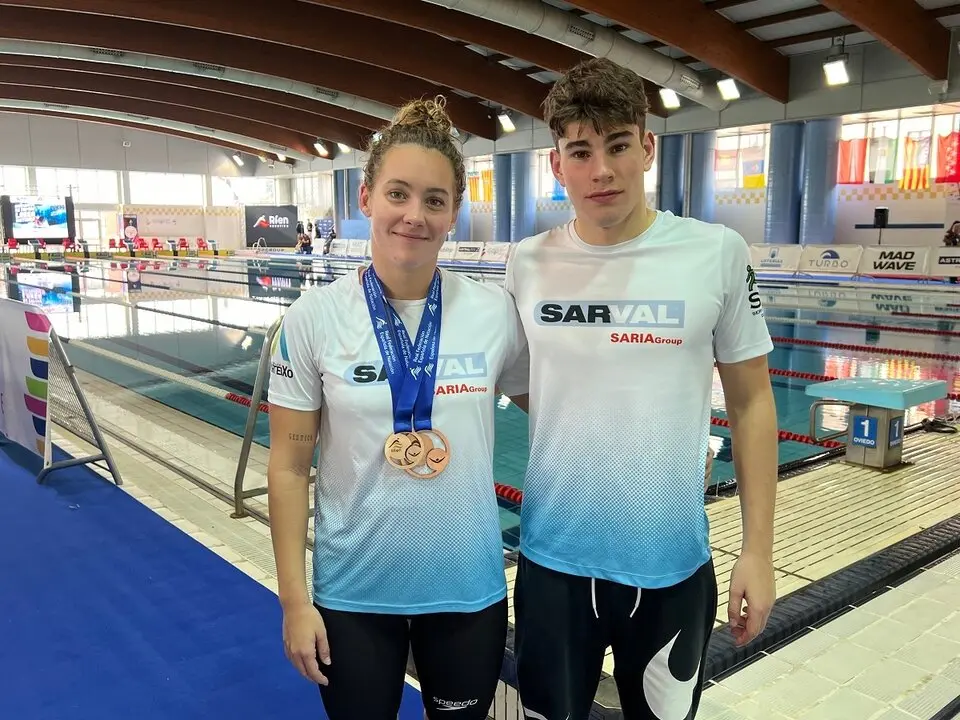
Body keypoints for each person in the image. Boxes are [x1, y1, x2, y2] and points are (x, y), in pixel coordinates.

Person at [497, 58, 779, 720]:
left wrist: (759, 552)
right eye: (581, 151)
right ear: (557, 164)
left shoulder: (715, 253)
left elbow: (752, 402)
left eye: (618, 145)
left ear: (647, 147)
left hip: (672, 569)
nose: (602, 170)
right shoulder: (528, 262)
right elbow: (517, 382)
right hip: (552, 566)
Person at [265, 97, 526, 720]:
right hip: (353, 596)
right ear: (367, 198)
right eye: (399, 194)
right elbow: (288, 468)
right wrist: (294, 602)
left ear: (453, 213)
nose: (415, 215)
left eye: (435, 200)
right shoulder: (312, 319)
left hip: (466, 593)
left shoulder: (494, 314)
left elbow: (554, 416)